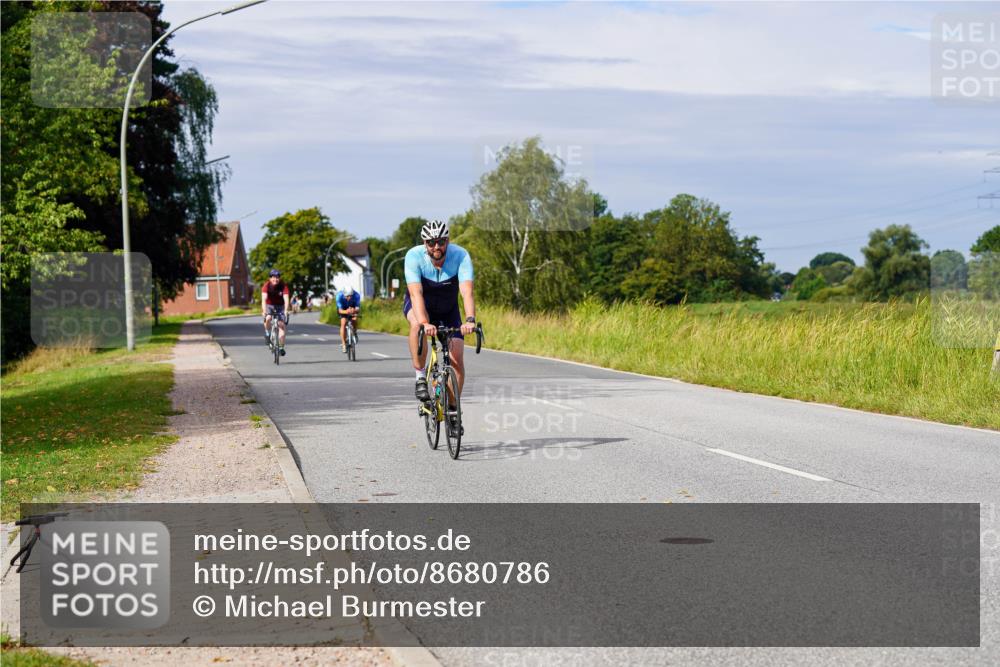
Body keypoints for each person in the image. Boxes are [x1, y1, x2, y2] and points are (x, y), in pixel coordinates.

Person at [403, 219, 476, 417]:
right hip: (420, 306)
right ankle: (420, 376)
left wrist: (470, 320)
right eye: (431, 242)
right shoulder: (413, 256)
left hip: (448, 309)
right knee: (416, 324)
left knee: (456, 360)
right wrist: (425, 322)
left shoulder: (460, 256)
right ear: (424, 243)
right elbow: (416, 294)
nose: (437, 247)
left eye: (441, 242)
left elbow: (467, 292)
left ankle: (452, 409)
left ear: (448, 241)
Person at [261, 269, 290, 355]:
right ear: (270, 278)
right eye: (273, 277)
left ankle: (281, 347)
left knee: (281, 325)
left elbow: (286, 299)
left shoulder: (283, 286)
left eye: (277, 277)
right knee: (268, 318)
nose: (275, 279)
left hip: (280, 306)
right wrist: (264, 311)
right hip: (269, 305)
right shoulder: (266, 286)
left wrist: (286, 311)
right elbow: (264, 299)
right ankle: (267, 333)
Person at [336, 285, 361, 353]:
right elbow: (340, 310)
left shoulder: (356, 295)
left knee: (354, 319)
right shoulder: (339, 296)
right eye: (347, 296)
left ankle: (354, 332)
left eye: (350, 296)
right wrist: (346, 311)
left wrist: (354, 310)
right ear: (344, 295)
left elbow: (357, 308)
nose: (349, 298)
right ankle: (344, 344)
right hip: (343, 309)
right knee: (343, 323)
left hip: (353, 307)